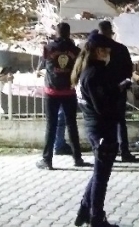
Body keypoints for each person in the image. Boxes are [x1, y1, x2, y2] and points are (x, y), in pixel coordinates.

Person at [74, 32, 126, 227]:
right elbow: (102, 106)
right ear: (97, 51)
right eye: (106, 50)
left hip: (94, 126)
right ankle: (96, 218)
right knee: (101, 177)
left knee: (99, 172)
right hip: (102, 129)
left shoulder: (85, 71)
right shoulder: (95, 74)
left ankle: (85, 211)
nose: (108, 54)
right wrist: (117, 93)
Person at [36, 22, 88, 170]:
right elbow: (79, 68)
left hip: (51, 92)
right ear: (68, 33)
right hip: (69, 91)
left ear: (56, 33)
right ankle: (77, 158)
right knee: (72, 125)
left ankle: (47, 160)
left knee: (51, 125)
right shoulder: (75, 50)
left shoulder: (48, 48)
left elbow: (45, 65)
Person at [98, 21, 139, 163]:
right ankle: (123, 151)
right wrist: (124, 83)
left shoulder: (96, 50)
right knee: (119, 121)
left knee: (103, 120)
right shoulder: (120, 49)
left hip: (102, 91)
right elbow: (128, 70)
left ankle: (106, 151)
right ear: (110, 32)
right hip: (118, 90)